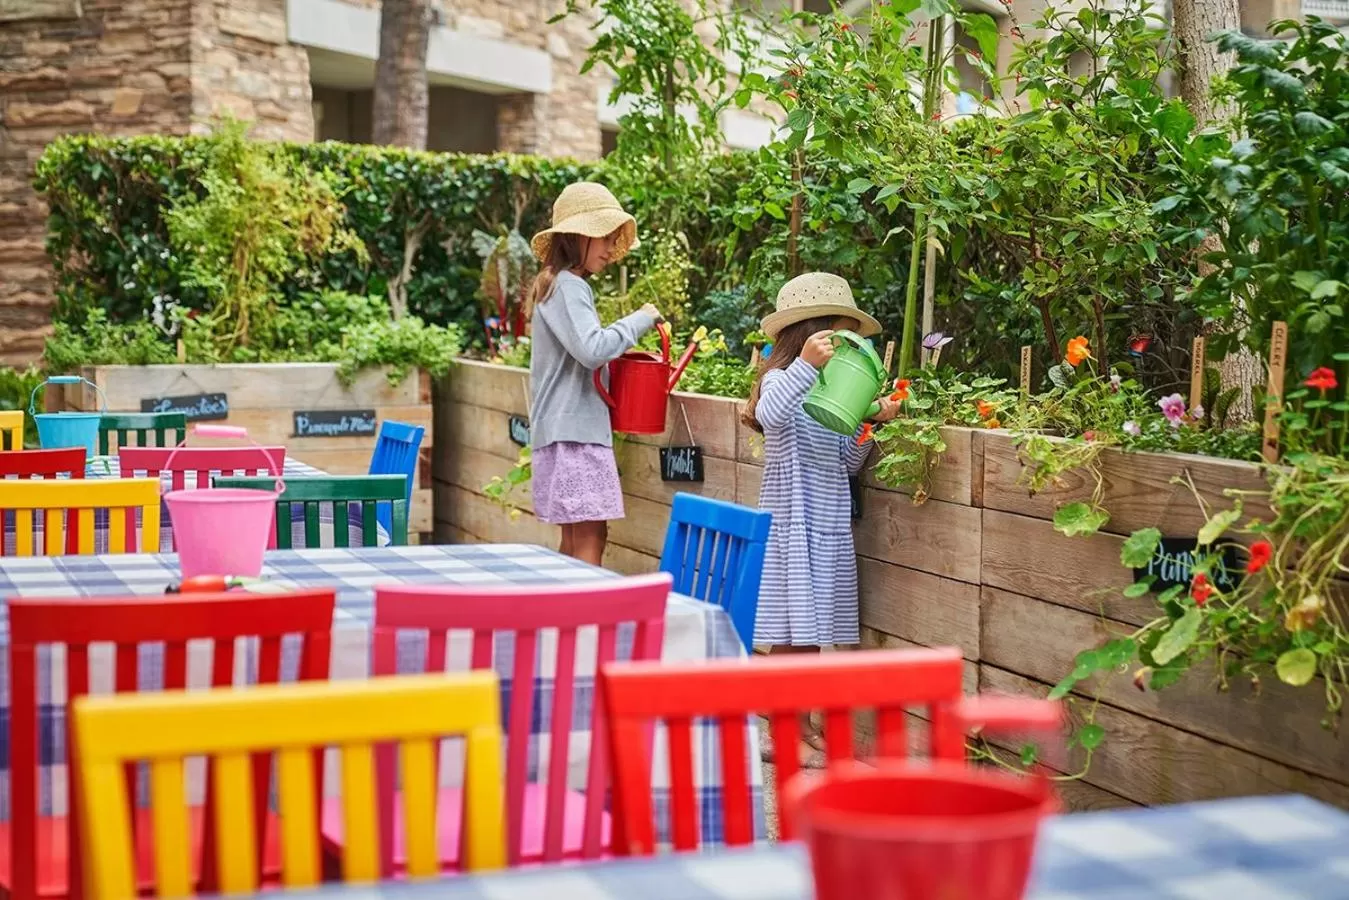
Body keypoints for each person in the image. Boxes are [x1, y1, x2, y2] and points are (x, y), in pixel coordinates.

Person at [743, 272, 900, 766]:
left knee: (809, 637)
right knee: (793, 638)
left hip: (827, 524)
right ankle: (780, 733)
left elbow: (847, 462)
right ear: (811, 333)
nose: (846, 347)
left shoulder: (834, 395)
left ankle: (802, 727)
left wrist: (869, 423)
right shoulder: (782, 380)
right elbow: (771, 414)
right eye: (840, 335)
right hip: (792, 523)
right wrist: (805, 366)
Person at [528, 182, 662, 566]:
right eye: (604, 237)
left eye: (613, 239)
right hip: (576, 435)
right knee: (590, 536)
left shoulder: (554, 283)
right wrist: (642, 318)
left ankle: (561, 604)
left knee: (575, 538)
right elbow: (593, 349)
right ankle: (588, 606)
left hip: (559, 430)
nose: (609, 248)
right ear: (577, 237)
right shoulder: (569, 286)